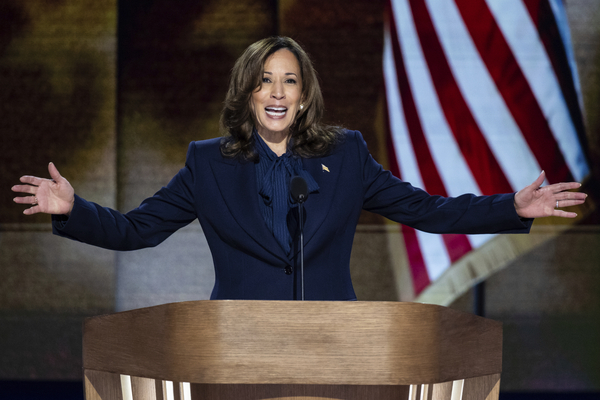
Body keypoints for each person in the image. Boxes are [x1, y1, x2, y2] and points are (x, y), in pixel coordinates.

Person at [12, 37, 587, 301]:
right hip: (236, 352)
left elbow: (427, 211)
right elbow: (138, 230)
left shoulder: (346, 154)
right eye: (265, 80)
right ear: (247, 94)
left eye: (290, 79)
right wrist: (73, 209)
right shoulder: (207, 163)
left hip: (333, 351)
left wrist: (510, 207)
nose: (278, 91)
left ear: (306, 96)